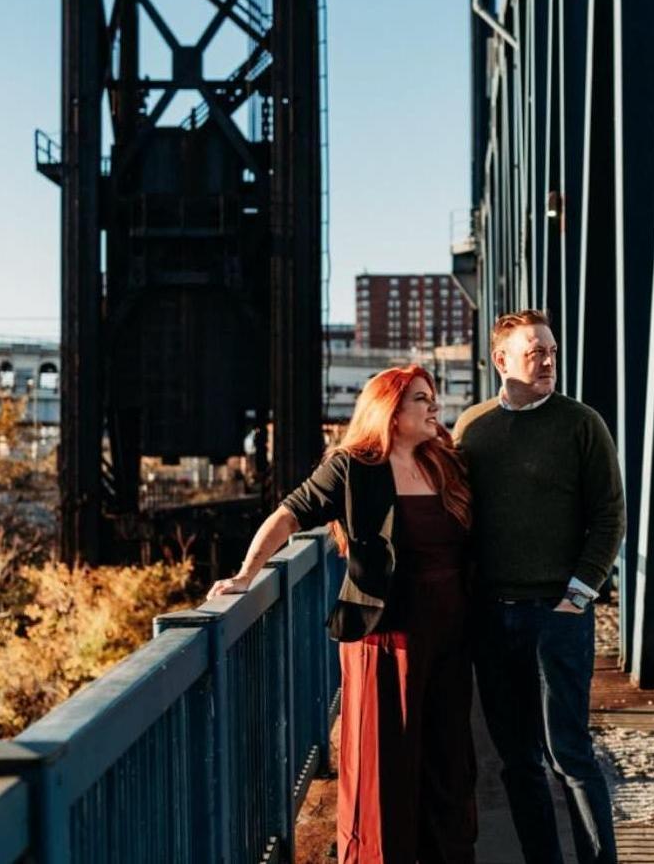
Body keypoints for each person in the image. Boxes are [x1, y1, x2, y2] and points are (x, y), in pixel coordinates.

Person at [208, 365, 476, 864]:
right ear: (390, 412)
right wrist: (246, 574)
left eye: (432, 396)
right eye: (422, 398)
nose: (435, 406)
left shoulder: (445, 463)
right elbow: (288, 514)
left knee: (448, 761)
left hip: (450, 635)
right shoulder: (352, 468)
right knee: (382, 764)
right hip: (385, 635)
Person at [454, 310, 625, 864]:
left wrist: (577, 595)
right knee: (518, 761)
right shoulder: (472, 428)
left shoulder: (581, 423)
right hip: (492, 617)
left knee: (569, 753)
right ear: (501, 360)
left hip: (557, 613)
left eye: (551, 351)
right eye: (535, 352)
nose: (548, 361)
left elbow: (610, 514)